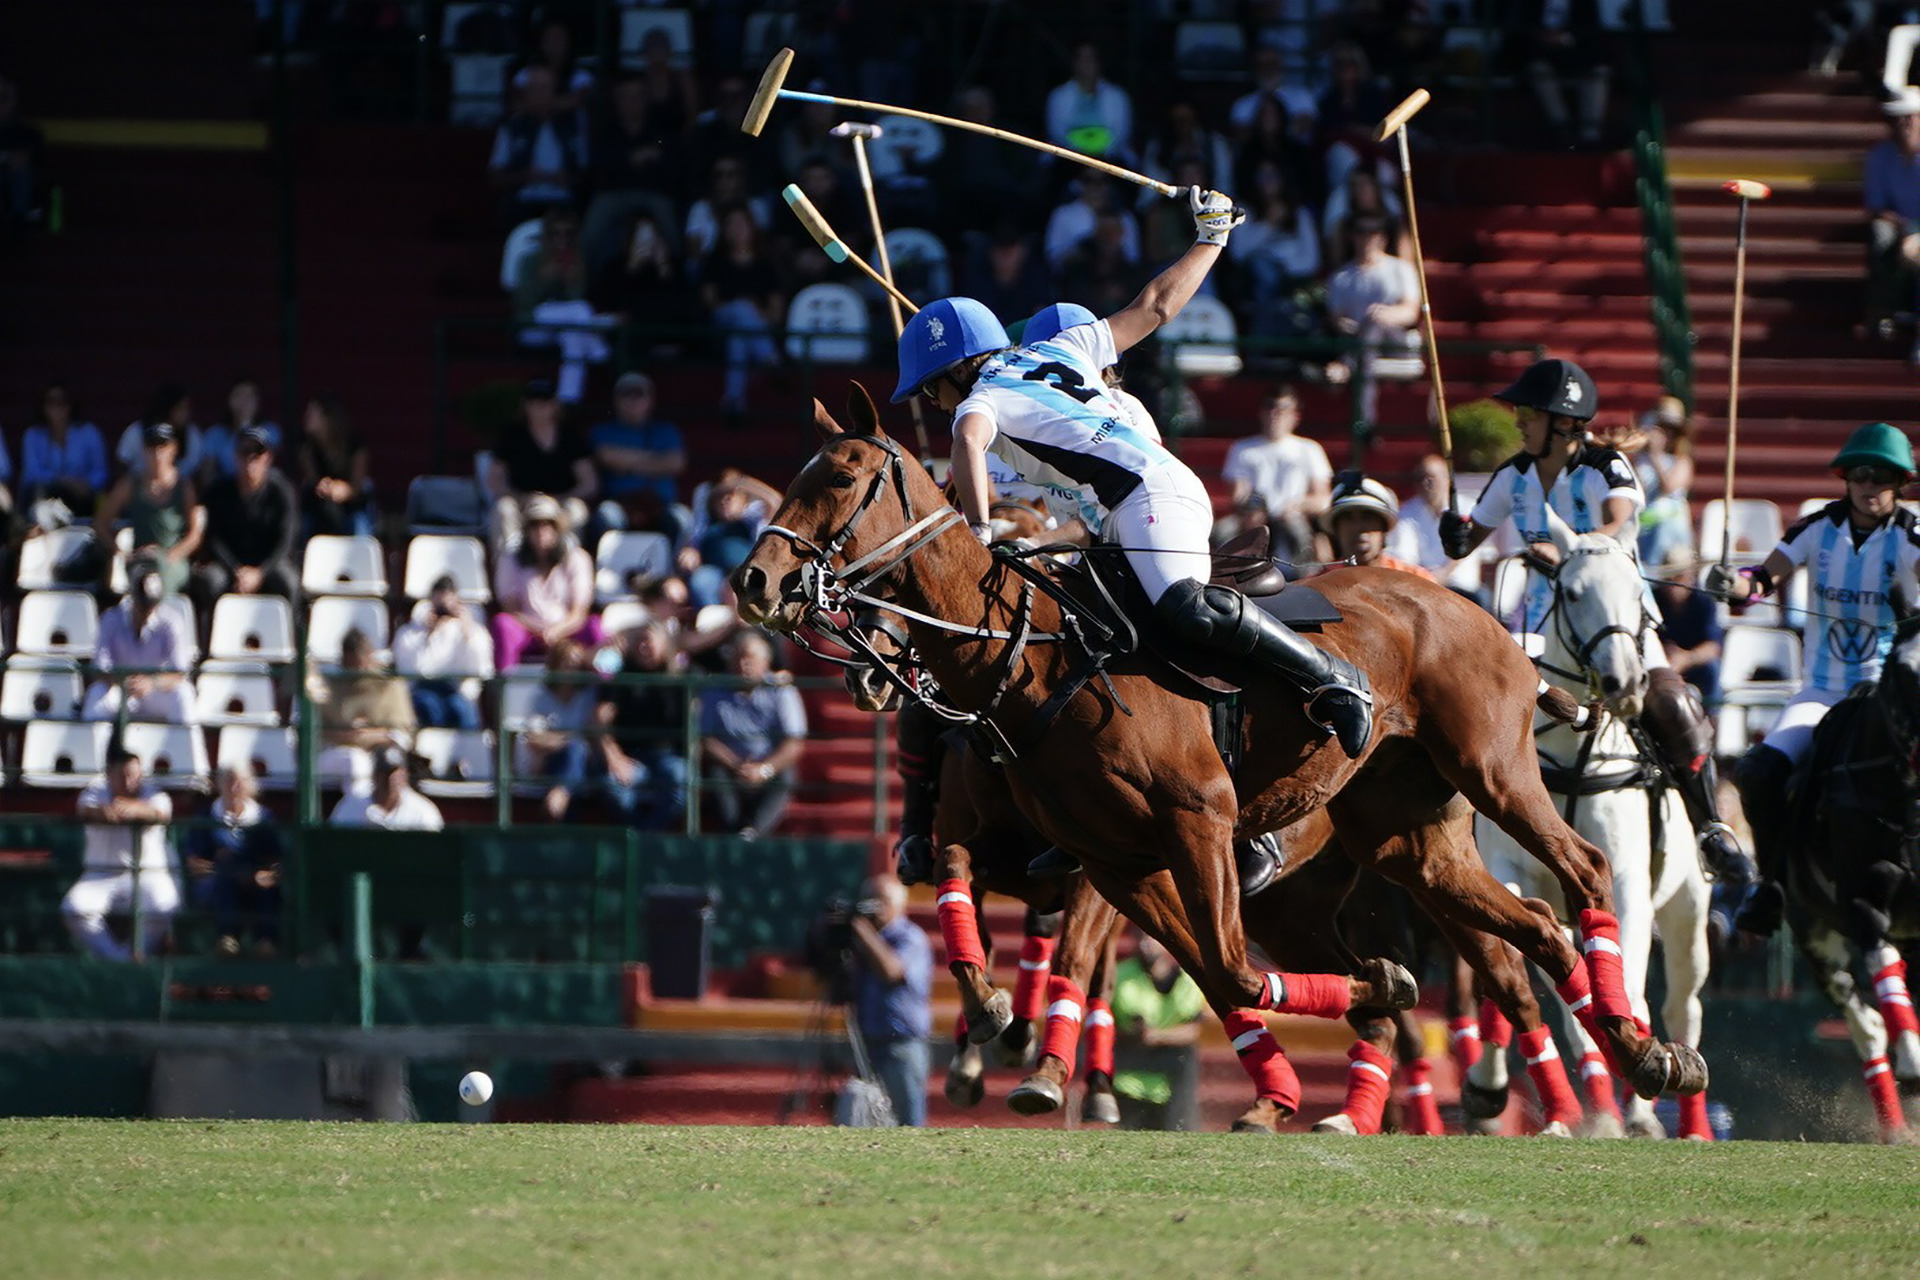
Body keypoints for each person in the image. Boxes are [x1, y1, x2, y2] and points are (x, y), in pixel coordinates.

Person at [895, 190, 1371, 898]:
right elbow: (1154, 307)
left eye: (929, 389)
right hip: (1117, 521)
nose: (931, 403)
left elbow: (967, 437)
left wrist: (982, 531)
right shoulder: (1060, 347)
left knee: (1185, 609)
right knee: (1080, 646)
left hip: (1151, 495)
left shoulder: (976, 403)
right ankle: (1086, 815)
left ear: (955, 370)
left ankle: (1331, 679)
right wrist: (1211, 236)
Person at [1440, 356, 1751, 886]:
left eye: (1528, 413)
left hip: (1614, 622)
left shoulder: (1606, 465)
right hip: (1537, 630)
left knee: (1673, 702)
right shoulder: (1512, 474)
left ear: (1562, 421)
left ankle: (1711, 828)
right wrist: (1456, 532)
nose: (1518, 421)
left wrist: (1576, 550)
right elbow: (1469, 539)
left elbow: (1621, 519)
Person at [1705, 422, 1920, 935]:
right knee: (1758, 774)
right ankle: (1771, 886)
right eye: (1864, 475)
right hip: (1822, 693)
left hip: (1890, 699)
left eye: (1886, 478)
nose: (1873, 487)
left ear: (1900, 485)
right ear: (1847, 478)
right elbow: (1761, 580)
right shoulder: (1817, 529)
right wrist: (1732, 584)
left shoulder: (1912, 537)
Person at [62, 742, 179, 962]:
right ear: (109, 775)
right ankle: (119, 958)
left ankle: (138, 952)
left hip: (147, 874)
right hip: (101, 874)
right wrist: (106, 812)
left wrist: (134, 809)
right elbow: (88, 810)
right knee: (73, 908)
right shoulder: (96, 792)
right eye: (121, 775)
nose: (128, 782)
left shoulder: (154, 793)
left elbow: (159, 812)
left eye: (133, 775)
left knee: (165, 904)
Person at [845, 872, 934, 1127]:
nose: (874, 906)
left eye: (881, 900)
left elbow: (892, 971)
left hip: (902, 1043)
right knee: (864, 1116)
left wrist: (863, 933)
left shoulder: (910, 937)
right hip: (868, 1039)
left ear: (899, 905)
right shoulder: (863, 940)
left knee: (909, 1119)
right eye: (869, 899)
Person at [698, 631, 806, 838]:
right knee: (714, 776)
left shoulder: (781, 690)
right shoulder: (713, 689)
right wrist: (736, 765)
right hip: (729, 765)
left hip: (768, 766)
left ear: (766, 662)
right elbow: (706, 739)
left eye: (750, 659)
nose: (744, 664)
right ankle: (732, 834)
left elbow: (794, 742)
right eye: (739, 658)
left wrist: (764, 769)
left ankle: (751, 833)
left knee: (787, 776)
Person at [515, 640, 634, 822]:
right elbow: (535, 738)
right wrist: (565, 741)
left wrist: (561, 740)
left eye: (576, 663)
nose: (572, 668)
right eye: (567, 662)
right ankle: (562, 796)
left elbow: (595, 729)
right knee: (573, 750)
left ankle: (559, 795)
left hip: (587, 761)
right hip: (551, 761)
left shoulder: (589, 694)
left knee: (576, 752)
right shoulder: (541, 697)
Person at [191, 424, 300, 619]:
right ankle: (212, 644)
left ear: (268, 458)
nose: (250, 458)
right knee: (210, 581)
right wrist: (236, 570)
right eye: (244, 452)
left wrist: (260, 572)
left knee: (288, 582)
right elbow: (213, 537)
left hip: (268, 564)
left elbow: (286, 540)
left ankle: (289, 644)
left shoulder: (282, 492)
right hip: (230, 564)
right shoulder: (220, 491)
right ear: (235, 456)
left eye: (257, 453)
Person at [1324, 216, 1422, 426]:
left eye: (1373, 234)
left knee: (1374, 324)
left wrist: (1382, 314)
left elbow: (1410, 312)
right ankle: (1364, 419)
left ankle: (1346, 367)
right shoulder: (1341, 276)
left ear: (1383, 239)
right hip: (1358, 341)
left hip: (1395, 340)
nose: (1367, 240)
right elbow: (1336, 318)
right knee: (1366, 342)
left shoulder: (1401, 269)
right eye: (1361, 234)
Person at [1222, 385, 1333, 565]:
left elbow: (1323, 499)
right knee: (1222, 532)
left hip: (1294, 515)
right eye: (1270, 407)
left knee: (1295, 528)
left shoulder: (1309, 449)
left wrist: (1296, 506)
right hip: (1254, 516)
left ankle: (1302, 572)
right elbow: (1237, 496)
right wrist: (1252, 508)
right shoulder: (1242, 449)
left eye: (1282, 409)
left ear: (1295, 416)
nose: (1275, 414)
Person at [181, 763, 283, 957]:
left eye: (240, 782)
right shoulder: (205, 817)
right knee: (225, 876)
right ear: (219, 785)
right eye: (229, 781)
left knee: (267, 886)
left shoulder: (264, 818)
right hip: (218, 880)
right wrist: (223, 871)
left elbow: (276, 860)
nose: (235, 787)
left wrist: (267, 875)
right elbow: (194, 863)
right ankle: (227, 938)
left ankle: (266, 941)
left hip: (254, 878)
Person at [492, 493, 602, 670]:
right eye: (534, 526)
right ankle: (505, 689)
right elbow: (511, 609)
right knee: (502, 624)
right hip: (527, 630)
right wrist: (539, 630)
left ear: (557, 530)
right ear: (526, 530)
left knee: (595, 626)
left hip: (567, 630)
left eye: (547, 525)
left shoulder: (577, 558)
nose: (541, 532)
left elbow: (579, 612)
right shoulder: (510, 559)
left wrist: (558, 631)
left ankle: (605, 690)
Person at [486, 379, 597, 555]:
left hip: (560, 504)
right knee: (503, 509)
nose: (539, 407)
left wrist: (560, 499)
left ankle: (567, 568)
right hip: (522, 503)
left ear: (555, 405)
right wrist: (519, 497)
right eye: (534, 401)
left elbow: (589, 482)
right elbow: (494, 479)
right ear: (525, 405)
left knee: (577, 510)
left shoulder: (570, 436)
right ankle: (508, 570)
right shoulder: (511, 435)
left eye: (545, 401)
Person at [83, 552, 196, 724]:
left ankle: (186, 750)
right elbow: (100, 668)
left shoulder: (171, 622)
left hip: (155, 693)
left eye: (151, 605)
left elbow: (179, 672)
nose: (147, 611)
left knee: (183, 694)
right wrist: (121, 680)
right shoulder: (111, 619)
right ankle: (91, 749)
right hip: (121, 691)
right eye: (142, 604)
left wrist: (152, 682)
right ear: (133, 596)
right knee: (96, 694)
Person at [1110, 929, 1206, 1129]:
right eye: (1141, 936)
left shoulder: (1188, 981)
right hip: (1129, 1078)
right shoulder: (1121, 976)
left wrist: (1156, 1035)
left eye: (1151, 936)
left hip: (1174, 1078)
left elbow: (1193, 1029)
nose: (1146, 943)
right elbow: (1111, 1024)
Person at [95, 422, 204, 597]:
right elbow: (101, 522)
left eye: (163, 446)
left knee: (159, 580)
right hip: (140, 559)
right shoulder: (130, 484)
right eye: (151, 447)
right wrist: (120, 552)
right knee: (139, 578)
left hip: (172, 560)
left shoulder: (184, 486)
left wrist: (171, 556)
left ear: (173, 449)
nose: (157, 453)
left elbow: (195, 535)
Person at [602, 619, 691, 832]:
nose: (644, 647)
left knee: (680, 784)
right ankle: (641, 839)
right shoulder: (621, 677)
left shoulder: (682, 679)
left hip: (668, 756)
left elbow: (696, 722)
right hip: (630, 757)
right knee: (614, 788)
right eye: (639, 641)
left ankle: (640, 840)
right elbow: (599, 722)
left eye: (648, 641)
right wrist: (615, 759)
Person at [315, 628, 416, 790]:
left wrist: (370, 735)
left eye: (361, 665)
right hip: (336, 753)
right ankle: (358, 811)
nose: (357, 672)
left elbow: (403, 734)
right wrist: (342, 734)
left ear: (370, 656)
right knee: (355, 762)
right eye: (351, 666)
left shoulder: (389, 684)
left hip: (380, 751)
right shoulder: (329, 684)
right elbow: (314, 732)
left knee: (388, 762)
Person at [488, 62, 587, 225]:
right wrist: (524, 175)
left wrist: (567, 178)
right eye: (535, 89)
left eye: (545, 88)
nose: (540, 94)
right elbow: (495, 176)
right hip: (523, 201)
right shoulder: (512, 126)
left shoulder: (573, 125)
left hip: (563, 201)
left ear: (555, 90)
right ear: (526, 93)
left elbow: (585, 172)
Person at [392, 574, 494, 730]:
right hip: (423, 689)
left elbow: (481, 669)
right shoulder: (410, 632)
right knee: (428, 705)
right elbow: (409, 670)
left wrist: (468, 634)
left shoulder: (471, 632)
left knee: (460, 709)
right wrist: (427, 635)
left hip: (456, 689)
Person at [590, 371, 685, 538]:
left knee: (682, 518)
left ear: (650, 400)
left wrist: (627, 463)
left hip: (660, 504)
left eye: (639, 395)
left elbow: (675, 463)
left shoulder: (666, 431)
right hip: (620, 503)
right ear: (616, 400)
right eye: (626, 395)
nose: (633, 401)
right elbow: (608, 457)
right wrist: (655, 459)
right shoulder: (602, 431)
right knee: (607, 516)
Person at [1392, 453, 1492, 600]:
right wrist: (1427, 577)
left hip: (1463, 590)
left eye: (1432, 477)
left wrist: (1443, 574)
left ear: (1446, 480)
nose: (1427, 483)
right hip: (1422, 587)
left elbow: (1465, 547)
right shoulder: (1406, 513)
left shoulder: (1469, 508)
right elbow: (1405, 555)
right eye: (1421, 478)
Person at [1865, 95, 1920, 352]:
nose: (1907, 124)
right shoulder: (1879, 157)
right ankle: (1884, 310)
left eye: (1912, 117)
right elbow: (1877, 206)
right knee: (1881, 236)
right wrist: (1904, 228)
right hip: (1896, 223)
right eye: (1901, 118)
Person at [20, 382, 109, 515]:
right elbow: (31, 474)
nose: (57, 408)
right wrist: (64, 482)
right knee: (38, 491)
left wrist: (86, 484)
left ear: (70, 406)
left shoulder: (89, 432)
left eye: (62, 402)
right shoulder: (33, 435)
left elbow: (100, 472)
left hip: (81, 496)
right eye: (51, 402)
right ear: (43, 407)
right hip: (45, 497)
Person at [1320, 474, 1431, 578]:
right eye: (1348, 519)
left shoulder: (1416, 580)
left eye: (1367, 517)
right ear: (1336, 530)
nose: (1358, 527)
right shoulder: (1317, 586)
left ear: (1384, 529)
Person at [295, 394, 372, 539]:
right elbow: (312, 480)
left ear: (328, 418)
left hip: (351, 505)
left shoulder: (355, 446)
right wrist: (323, 487)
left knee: (359, 523)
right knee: (305, 523)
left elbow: (357, 486)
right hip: (319, 505)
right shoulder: (306, 447)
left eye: (312, 413)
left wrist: (342, 489)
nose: (306, 416)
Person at [1044, 42, 1134, 162]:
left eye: (1090, 58)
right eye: (1081, 58)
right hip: (1068, 159)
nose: (1086, 63)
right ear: (1074, 63)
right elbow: (1056, 132)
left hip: (1110, 157)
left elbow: (1122, 133)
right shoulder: (1058, 95)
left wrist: (1101, 156)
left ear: (1099, 62)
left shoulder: (1117, 95)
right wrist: (1079, 155)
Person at [1655, 550, 1723, 706]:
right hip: (1660, 662)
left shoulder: (1704, 602)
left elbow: (1712, 647)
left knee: (1711, 669)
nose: (1673, 585)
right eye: (1668, 578)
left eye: (1679, 577)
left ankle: (1712, 718)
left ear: (1691, 577)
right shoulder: (1653, 600)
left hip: (1693, 665)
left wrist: (1685, 659)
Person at [329, 747, 445, 830]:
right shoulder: (352, 805)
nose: (389, 780)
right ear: (374, 776)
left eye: (394, 774)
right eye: (383, 773)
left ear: (405, 776)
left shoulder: (422, 812)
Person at [199, 379, 282, 487]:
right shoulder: (215, 434)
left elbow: (269, 464)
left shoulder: (271, 430)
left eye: (250, 396)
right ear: (229, 400)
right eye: (240, 395)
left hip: (260, 488)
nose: (245, 401)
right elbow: (207, 472)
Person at [115, 382, 205, 479]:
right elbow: (122, 464)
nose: (187, 413)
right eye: (181, 408)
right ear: (168, 409)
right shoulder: (136, 432)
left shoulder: (193, 435)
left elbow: (197, 472)